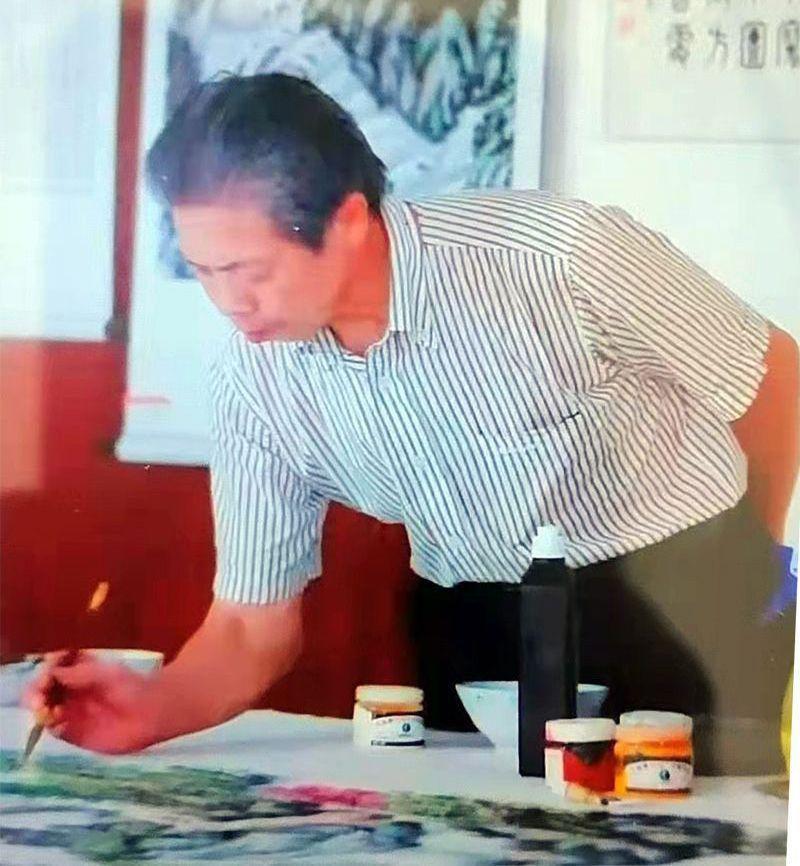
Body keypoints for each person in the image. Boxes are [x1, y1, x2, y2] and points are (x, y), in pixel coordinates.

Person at [27, 74, 798, 773]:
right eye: (203, 271)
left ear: (348, 219)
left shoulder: (560, 258)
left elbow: (776, 380)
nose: (229, 302)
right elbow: (249, 624)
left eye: (250, 271)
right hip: (476, 634)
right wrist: (151, 706)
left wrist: (750, 561)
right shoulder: (253, 374)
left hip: (682, 603)